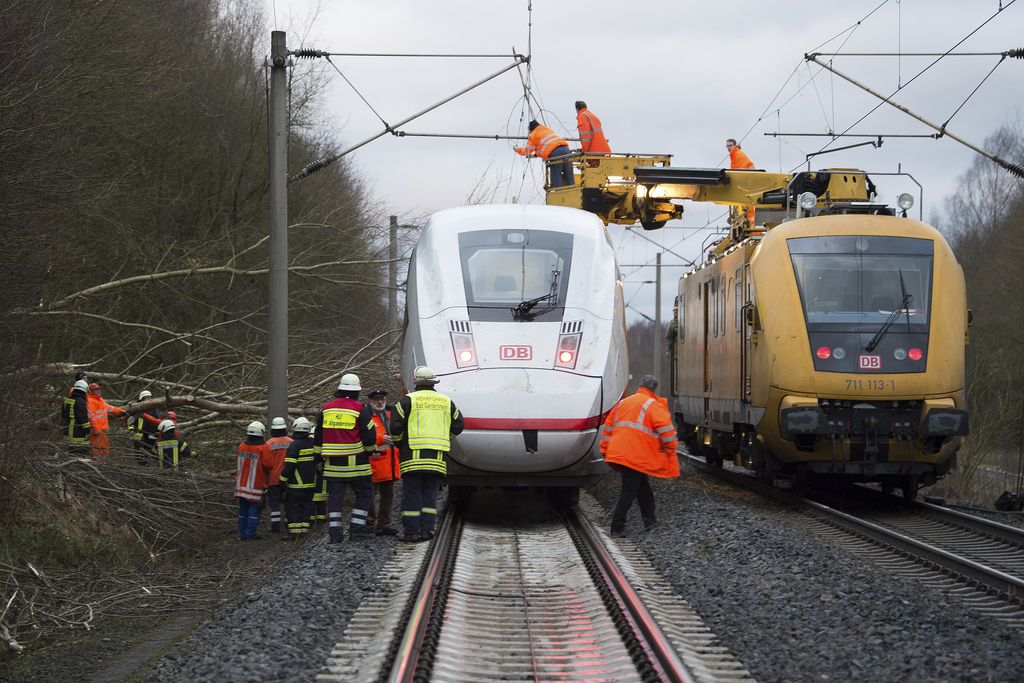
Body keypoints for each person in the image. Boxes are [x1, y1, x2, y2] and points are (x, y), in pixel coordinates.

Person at [391, 366, 464, 543]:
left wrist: (401, 443)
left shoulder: (407, 401)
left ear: (416, 382)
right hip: (437, 459)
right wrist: (444, 437)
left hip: (412, 458)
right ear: (433, 382)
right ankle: (427, 531)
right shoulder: (446, 401)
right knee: (431, 495)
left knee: (412, 494)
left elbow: (395, 427)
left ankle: (411, 533)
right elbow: (458, 425)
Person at [600, 375, 679, 538]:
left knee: (643, 488)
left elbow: (608, 428)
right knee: (630, 489)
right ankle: (617, 526)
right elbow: (668, 433)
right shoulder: (653, 405)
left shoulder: (624, 403)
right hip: (634, 454)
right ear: (654, 389)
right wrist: (670, 448)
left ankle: (650, 521)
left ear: (640, 386)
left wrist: (604, 449)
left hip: (622, 453)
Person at [314, 374, 378, 544]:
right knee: (364, 494)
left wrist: (318, 459)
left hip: (333, 466)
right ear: (357, 391)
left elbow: (318, 437)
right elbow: (370, 437)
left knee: (335, 499)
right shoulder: (360, 409)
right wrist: (370, 452)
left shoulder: (326, 409)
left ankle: (335, 534)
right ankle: (356, 531)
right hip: (357, 464)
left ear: (340, 390)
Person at [366, 389, 401, 536]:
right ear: (370, 401)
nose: (380, 402)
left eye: (382, 399)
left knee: (388, 497)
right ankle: (369, 525)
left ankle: (383, 524)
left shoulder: (391, 414)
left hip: (390, 463)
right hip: (373, 463)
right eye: (376, 399)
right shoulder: (366, 416)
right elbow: (362, 436)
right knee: (369, 496)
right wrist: (380, 439)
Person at [235, 421, 274, 541]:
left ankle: (242, 534)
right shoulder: (262, 448)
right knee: (254, 509)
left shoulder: (241, 445)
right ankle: (250, 533)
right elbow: (269, 464)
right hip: (256, 484)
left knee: (242, 510)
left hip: (241, 484)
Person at [279, 417, 316, 541]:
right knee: (306, 507)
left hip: (296, 485)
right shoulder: (313, 444)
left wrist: (282, 480)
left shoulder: (295, 445)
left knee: (293, 508)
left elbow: (289, 466)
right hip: (311, 484)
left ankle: (294, 534)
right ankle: (304, 532)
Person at [515, 120, 575, 188]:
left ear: (531, 130)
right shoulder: (546, 129)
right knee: (570, 180)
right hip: (566, 150)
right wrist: (535, 155)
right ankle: (575, 196)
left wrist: (517, 149)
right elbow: (545, 148)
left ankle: (559, 196)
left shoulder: (533, 134)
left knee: (557, 181)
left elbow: (526, 151)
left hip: (555, 154)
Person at [86, 382, 127, 462]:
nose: (98, 391)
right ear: (90, 391)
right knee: (97, 449)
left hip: (102, 430)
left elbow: (110, 408)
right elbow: (91, 416)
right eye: (95, 390)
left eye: (98, 389)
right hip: (96, 430)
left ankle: (105, 464)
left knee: (105, 448)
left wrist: (121, 411)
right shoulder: (90, 401)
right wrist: (95, 428)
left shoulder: (100, 400)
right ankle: (97, 464)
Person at [265, 417, 293, 534]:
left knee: (275, 502)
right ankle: (288, 525)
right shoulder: (291, 442)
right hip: (289, 477)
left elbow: (265, 463)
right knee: (288, 502)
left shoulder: (268, 444)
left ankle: (275, 527)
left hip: (273, 477)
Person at [127, 390, 162, 465]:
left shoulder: (155, 409)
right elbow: (130, 422)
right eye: (146, 398)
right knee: (140, 455)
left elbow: (159, 420)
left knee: (154, 453)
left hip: (153, 435)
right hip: (140, 436)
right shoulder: (137, 409)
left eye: (149, 398)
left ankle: (152, 467)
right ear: (142, 399)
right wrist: (131, 430)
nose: (148, 399)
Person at [61, 379, 92, 456]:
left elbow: (63, 415)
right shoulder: (81, 402)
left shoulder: (67, 400)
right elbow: (83, 418)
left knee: (70, 453)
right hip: (77, 432)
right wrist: (87, 431)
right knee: (81, 454)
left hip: (67, 429)